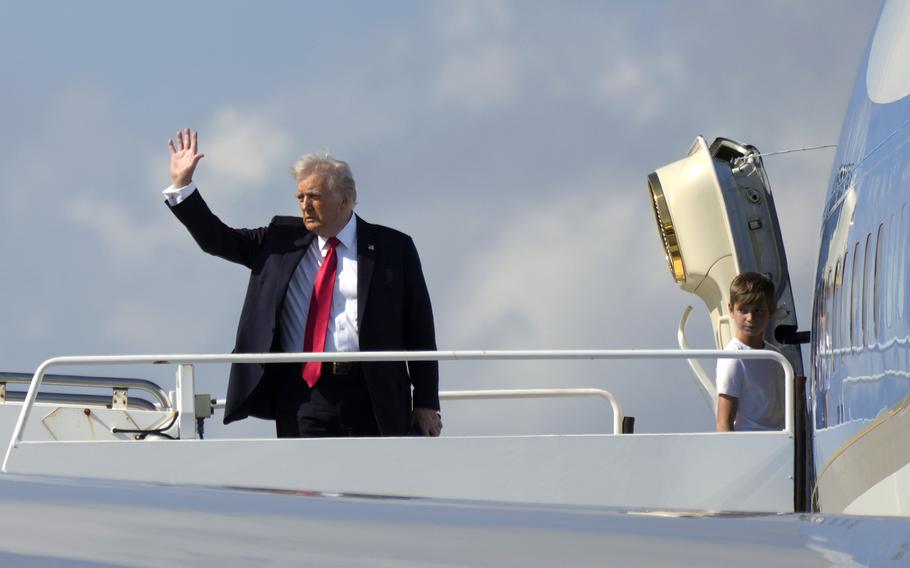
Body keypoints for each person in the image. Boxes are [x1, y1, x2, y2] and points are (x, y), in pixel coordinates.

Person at [164, 128, 442, 437]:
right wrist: (182, 186)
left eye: (315, 197)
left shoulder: (393, 248)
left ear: (346, 199)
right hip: (302, 394)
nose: (305, 205)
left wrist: (427, 402)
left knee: (372, 484)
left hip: (372, 393)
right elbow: (218, 240)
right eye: (300, 197)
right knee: (305, 483)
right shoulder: (280, 241)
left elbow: (420, 331)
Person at [715, 272, 785, 432]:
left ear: (771, 311)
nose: (750, 318)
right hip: (750, 446)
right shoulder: (733, 358)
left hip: (781, 444)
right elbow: (723, 422)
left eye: (758, 311)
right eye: (743, 310)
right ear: (731, 310)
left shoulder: (776, 357)